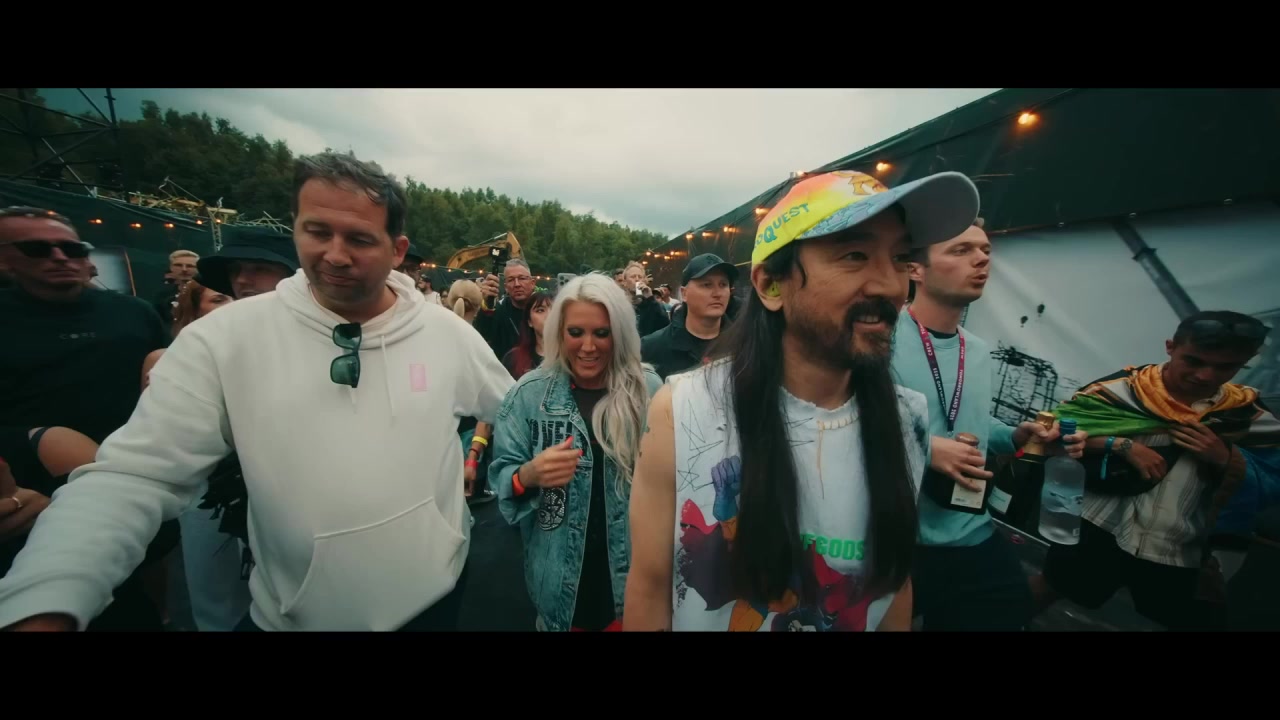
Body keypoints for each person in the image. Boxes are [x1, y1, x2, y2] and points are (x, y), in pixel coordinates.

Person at [0, 151, 514, 632]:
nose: (335, 255)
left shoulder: (446, 333)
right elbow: (134, 476)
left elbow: (519, 411)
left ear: (396, 249)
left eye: (358, 239)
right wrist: (46, 597)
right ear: (295, 228)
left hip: (434, 599)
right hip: (297, 616)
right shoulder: (223, 339)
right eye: (317, 231)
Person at [624, 169, 981, 631]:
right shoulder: (684, 409)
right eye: (855, 255)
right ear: (772, 285)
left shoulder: (907, 417)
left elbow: (892, 588)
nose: (891, 286)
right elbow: (650, 588)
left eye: (899, 258)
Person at [895, 219, 1085, 631]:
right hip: (898, 538)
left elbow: (974, 420)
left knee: (1008, 609)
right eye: (961, 250)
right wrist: (927, 449)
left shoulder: (976, 350)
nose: (981, 259)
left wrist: (1015, 435)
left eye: (985, 250)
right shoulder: (881, 340)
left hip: (970, 528)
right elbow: (848, 422)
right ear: (915, 269)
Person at [1033, 310, 1277, 631]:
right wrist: (1121, 445)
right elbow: (1049, 433)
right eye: (1194, 361)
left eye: (1225, 367)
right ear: (1170, 347)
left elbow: (1272, 480)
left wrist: (1225, 458)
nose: (1205, 376)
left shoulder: (1245, 414)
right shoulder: (1122, 391)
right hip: (1103, 525)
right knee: (1051, 586)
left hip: (1181, 545)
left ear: (1247, 361)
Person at [489, 273, 662, 632]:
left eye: (602, 333)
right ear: (559, 332)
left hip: (634, 583)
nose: (588, 346)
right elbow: (502, 478)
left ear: (620, 333)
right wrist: (528, 475)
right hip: (558, 588)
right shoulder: (529, 395)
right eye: (576, 332)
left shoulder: (647, 391)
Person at [640, 253, 739, 380]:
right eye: (707, 285)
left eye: (723, 284)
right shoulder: (651, 348)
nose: (717, 293)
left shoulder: (744, 344)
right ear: (684, 293)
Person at [501, 290, 553, 380]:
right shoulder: (513, 359)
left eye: (555, 309)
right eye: (540, 310)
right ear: (529, 321)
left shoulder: (572, 357)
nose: (549, 315)